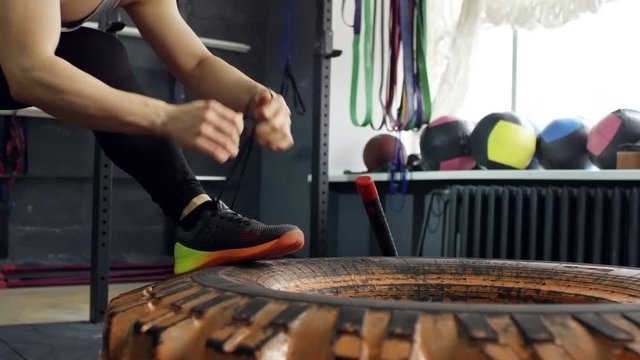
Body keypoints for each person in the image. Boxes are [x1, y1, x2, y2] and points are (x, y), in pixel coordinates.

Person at [0, 0, 305, 274]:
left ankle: (197, 220)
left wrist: (257, 97)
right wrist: (164, 117)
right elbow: (29, 69)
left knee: (98, 53)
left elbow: (196, 63)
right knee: (96, 54)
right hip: (18, 61)